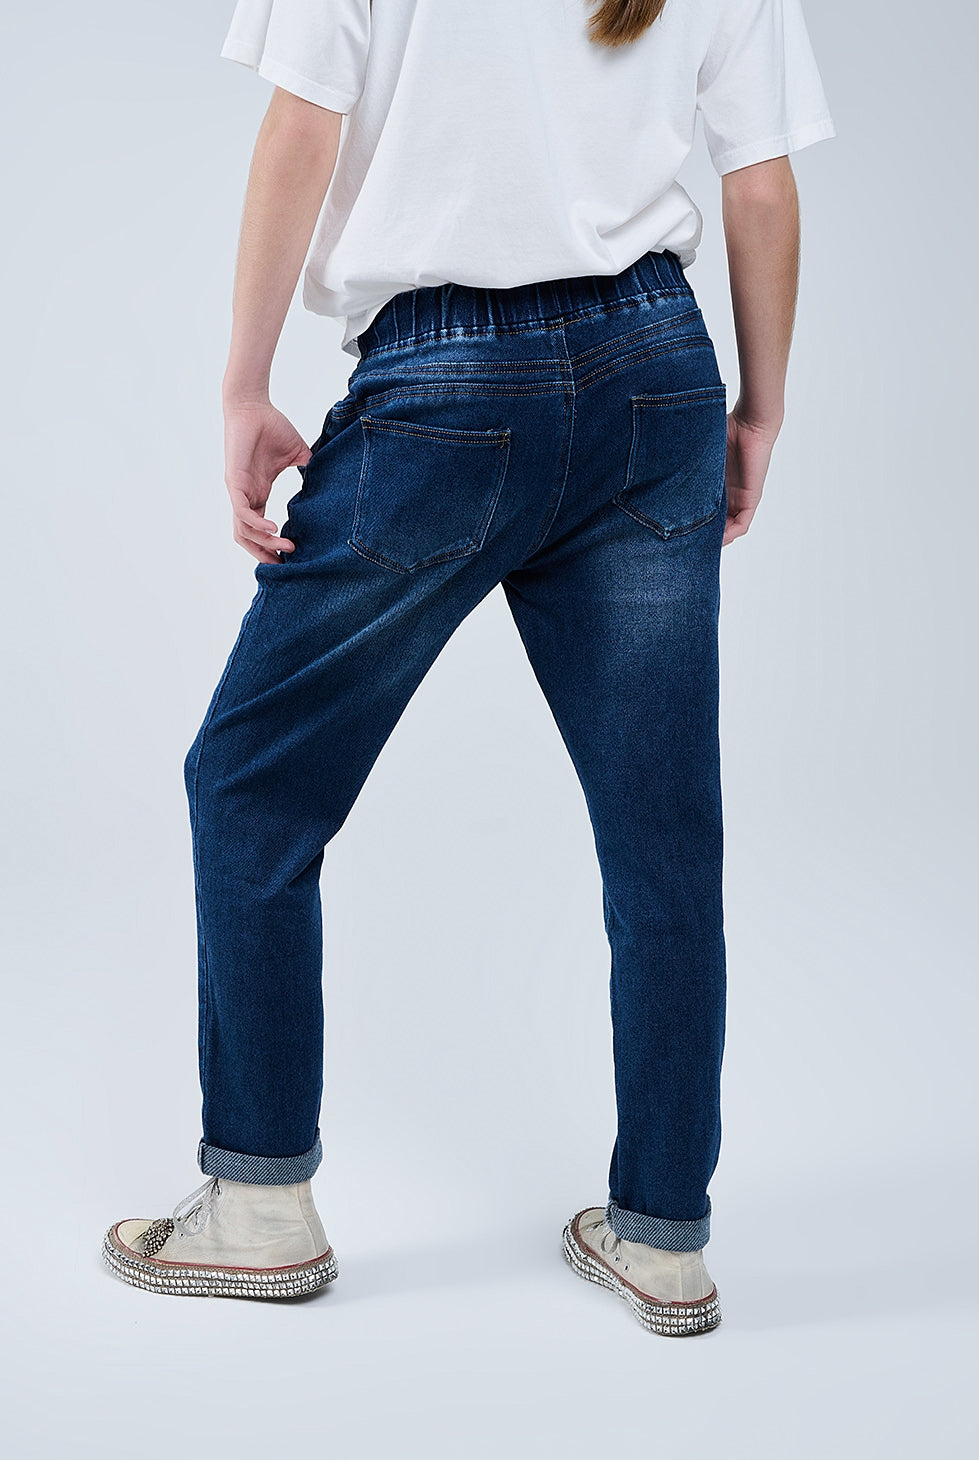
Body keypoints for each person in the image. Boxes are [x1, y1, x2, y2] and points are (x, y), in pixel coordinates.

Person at [102, 0, 835, 1332]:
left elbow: (300, 129)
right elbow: (762, 180)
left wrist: (244, 387)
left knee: (253, 785)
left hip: (445, 388)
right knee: (664, 837)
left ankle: (259, 1206)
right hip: (657, 376)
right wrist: (762, 409)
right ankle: (665, 1237)